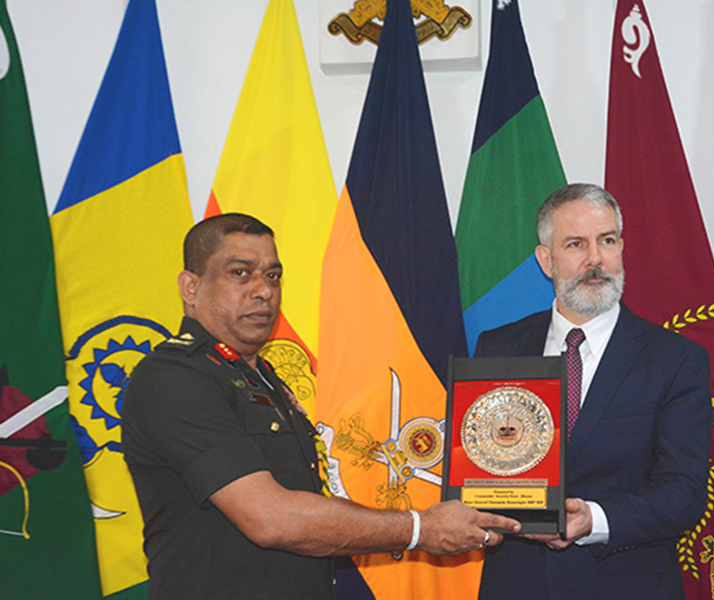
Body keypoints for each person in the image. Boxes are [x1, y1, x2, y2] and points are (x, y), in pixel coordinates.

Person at [121, 213, 519, 599]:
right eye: (240, 273)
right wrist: (420, 529)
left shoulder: (259, 376)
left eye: (272, 276)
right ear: (190, 287)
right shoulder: (173, 378)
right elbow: (271, 518)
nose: (263, 290)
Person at [476, 184, 711, 600]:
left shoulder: (675, 360)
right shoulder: (497, 348)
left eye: (607, 241)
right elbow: (481, 465)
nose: (595, 259)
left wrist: (594, 519)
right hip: (515, 586)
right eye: (575, 244)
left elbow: (684, 494)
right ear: (546, 261)